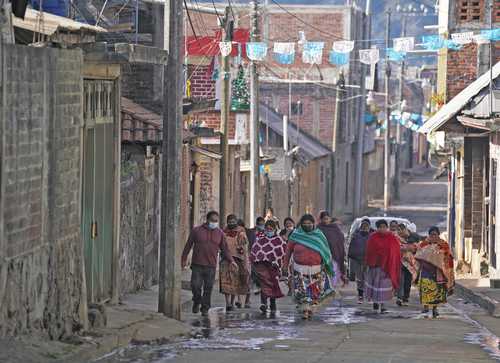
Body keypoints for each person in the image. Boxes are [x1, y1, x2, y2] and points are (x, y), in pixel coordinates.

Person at [181, 211, 237, 317]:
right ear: (207, 220)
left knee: (208, 288)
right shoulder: (196, 231)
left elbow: (224, 249)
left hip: (211, 266)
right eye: (213, 220)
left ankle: (205, 308)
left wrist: (231, 261)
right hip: (197, 264)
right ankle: (197, 301)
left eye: (216, 221)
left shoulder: (220, 233)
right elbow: (188, 245)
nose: (214, 223)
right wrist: (183, 259)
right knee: (195, 286)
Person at [283, 214, 334, 319]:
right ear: (301, 224)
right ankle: (305, 311)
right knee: (303, 292)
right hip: (299, 270)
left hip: (317, 270)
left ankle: (309, 309)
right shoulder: (295, 235)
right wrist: (285, 266)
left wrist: (328, 265)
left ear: (313, 224)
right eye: (305, 223)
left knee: (314, 293)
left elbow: (326, 251)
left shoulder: (319, 235)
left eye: (309, 223)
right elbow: (288, 252)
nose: (307, 225)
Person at [414, 226, 455, 318]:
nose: (433, 236)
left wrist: (441, 256)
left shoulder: (443, 244)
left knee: (437, 290)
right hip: (425, 270)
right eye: (431, 234)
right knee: (425, 289)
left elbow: (448, 257)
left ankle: (435, 309)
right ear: (428, 235)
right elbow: (418, 255)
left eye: (435, 234)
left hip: (438, 271)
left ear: (438, 235)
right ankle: (425, 306)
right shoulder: (423, 244)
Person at [364, 219, 401, 313]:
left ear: (387, 227)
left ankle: (383, 304)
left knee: (384, 286)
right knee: (375, 284)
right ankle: (375, 303)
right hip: (375, 267)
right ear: (377, 228)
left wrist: (390, 259)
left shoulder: (392, 237)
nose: (382, 229)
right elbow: (369, 251)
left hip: (387, 267)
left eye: (384, 227)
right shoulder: (373, 237)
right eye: (380, 227)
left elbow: (395, 251)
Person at [250, 220, 287, 314]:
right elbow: (255, 251)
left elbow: (283, 253)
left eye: (271, 229)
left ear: (275, 229)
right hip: (262, 266)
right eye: (267, 229)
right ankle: (263, 303)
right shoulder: (260, 240)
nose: (269, 230)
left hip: (274, 267)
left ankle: (272, 303)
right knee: (264, 284)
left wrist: (280, 264)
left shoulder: (279, 241)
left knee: (273, 284)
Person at [220, 214, 251, 311]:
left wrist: (245, 261)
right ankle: (227, 303)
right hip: (225, 259)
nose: (231, 223)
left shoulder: (241, 231)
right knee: (225, 281)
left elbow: (244, 246)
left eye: (233, 221)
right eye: (229, 222)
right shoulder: (223, 232)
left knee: (235, 281)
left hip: (238, 259)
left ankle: (233, 302)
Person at [317, 211, 346, 288]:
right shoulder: (318, 229)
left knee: (334, 271)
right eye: (324, 219)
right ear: (321, 219)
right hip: (322, 255)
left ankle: (333, 287)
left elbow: (340, 239)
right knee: (323, 272)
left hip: (334, 255)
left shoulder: (335, 228)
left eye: (327, 219)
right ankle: (325, 288)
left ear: (330, 219)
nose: (326, 220)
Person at [348, 218, 372, 304]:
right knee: (359, 279)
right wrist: (353, 258)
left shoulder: (372, 236)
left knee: (368, 279)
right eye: (363, 226)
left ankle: (368, 296)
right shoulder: (356, 235)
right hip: (358, 261)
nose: (365, 227)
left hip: (369, 262)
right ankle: (360, 295)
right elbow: (352, 249)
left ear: (369, 226)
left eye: (366, 226)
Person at [396, 224, 420, 306]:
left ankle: (406, 298)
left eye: (402, 229)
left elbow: (415, 248)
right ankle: (399, 297)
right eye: (398, 230)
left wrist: (407, 247)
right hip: (399, 262)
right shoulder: (396, 239)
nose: (400, 231)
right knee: (400, 281)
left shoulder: (413, 238)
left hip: (410, 264)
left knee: (407, 282)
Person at [279, 217, 296, 296]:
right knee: (287, 273)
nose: (289, 225)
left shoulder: (297, 232)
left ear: (293, 224)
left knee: (293, 273)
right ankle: (290, 288)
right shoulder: (282, 232)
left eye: (290, 223)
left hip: (295, 254)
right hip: (285, 255)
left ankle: (293, 289)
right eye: (287, 224)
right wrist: (287, 233)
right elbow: (281, 241)